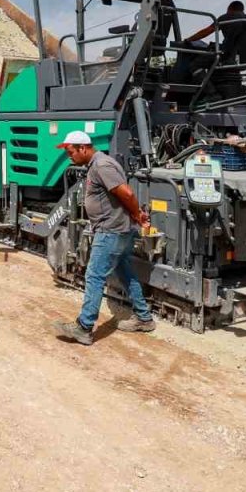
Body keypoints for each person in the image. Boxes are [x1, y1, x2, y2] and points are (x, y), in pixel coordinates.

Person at [52, 131, 154, 345]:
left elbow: (126, 193)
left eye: (70, 152)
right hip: (118, 229)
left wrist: (137, 214)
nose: (69, 156)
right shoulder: (98, 164)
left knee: (94, 276)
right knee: (125, 272)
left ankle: (84, 327)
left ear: (83, 148)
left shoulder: (102, 166)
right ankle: (144, 318)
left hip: (111, 231)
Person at [172, 0, 246, 85]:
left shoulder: (226, 17)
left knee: (194, 65)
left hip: (226, 54)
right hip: (245, 57)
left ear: (230, 9)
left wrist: (188, 40)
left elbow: (207, 31)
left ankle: (211, 92)